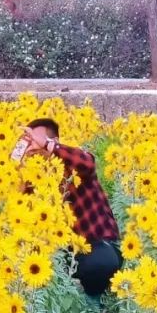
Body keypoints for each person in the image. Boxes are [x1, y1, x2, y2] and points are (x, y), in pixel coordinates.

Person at [19, 118, 123, 302]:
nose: (34, 146)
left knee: (98, 263)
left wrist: (48, 146)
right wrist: (20, 168)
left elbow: (88, 162)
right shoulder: (36, 178)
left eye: (38, 140)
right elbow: (22, 212)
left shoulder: (73, 165)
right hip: (65, 251)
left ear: (54, 142)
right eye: (30, 140)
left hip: (98, 245)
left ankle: (96, 303)